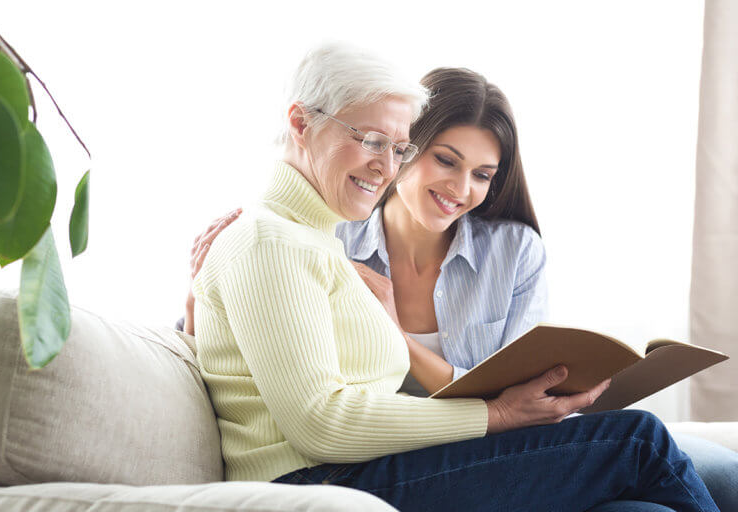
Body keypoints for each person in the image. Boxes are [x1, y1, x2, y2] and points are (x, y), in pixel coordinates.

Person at [185, 44, 718, 511]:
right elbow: (322, 424)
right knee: (640, 440)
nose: (386, 167)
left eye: (397, 149)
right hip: (317, 484)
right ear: (301, 125)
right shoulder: (272, 239)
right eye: (371, 140)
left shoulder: (310, 238)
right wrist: (495, 414)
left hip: (356, 472)